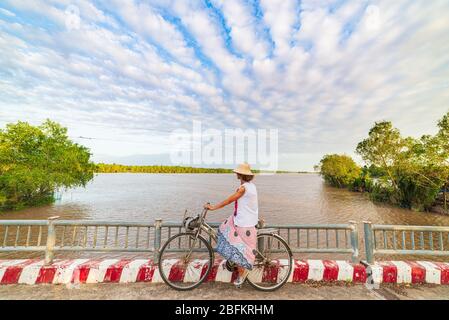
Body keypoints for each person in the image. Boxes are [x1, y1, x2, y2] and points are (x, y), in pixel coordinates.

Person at [204, 163, 258, 287]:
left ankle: (241, 275)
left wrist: (213, 207)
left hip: (244, 223)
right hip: (243, 219)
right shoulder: (252, 186)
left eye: (237, 173)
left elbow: (229, 200)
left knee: (238, 249)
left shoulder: (243, 188)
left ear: (240, 174)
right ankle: (231, 261)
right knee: (223, 228)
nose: (236, 174)